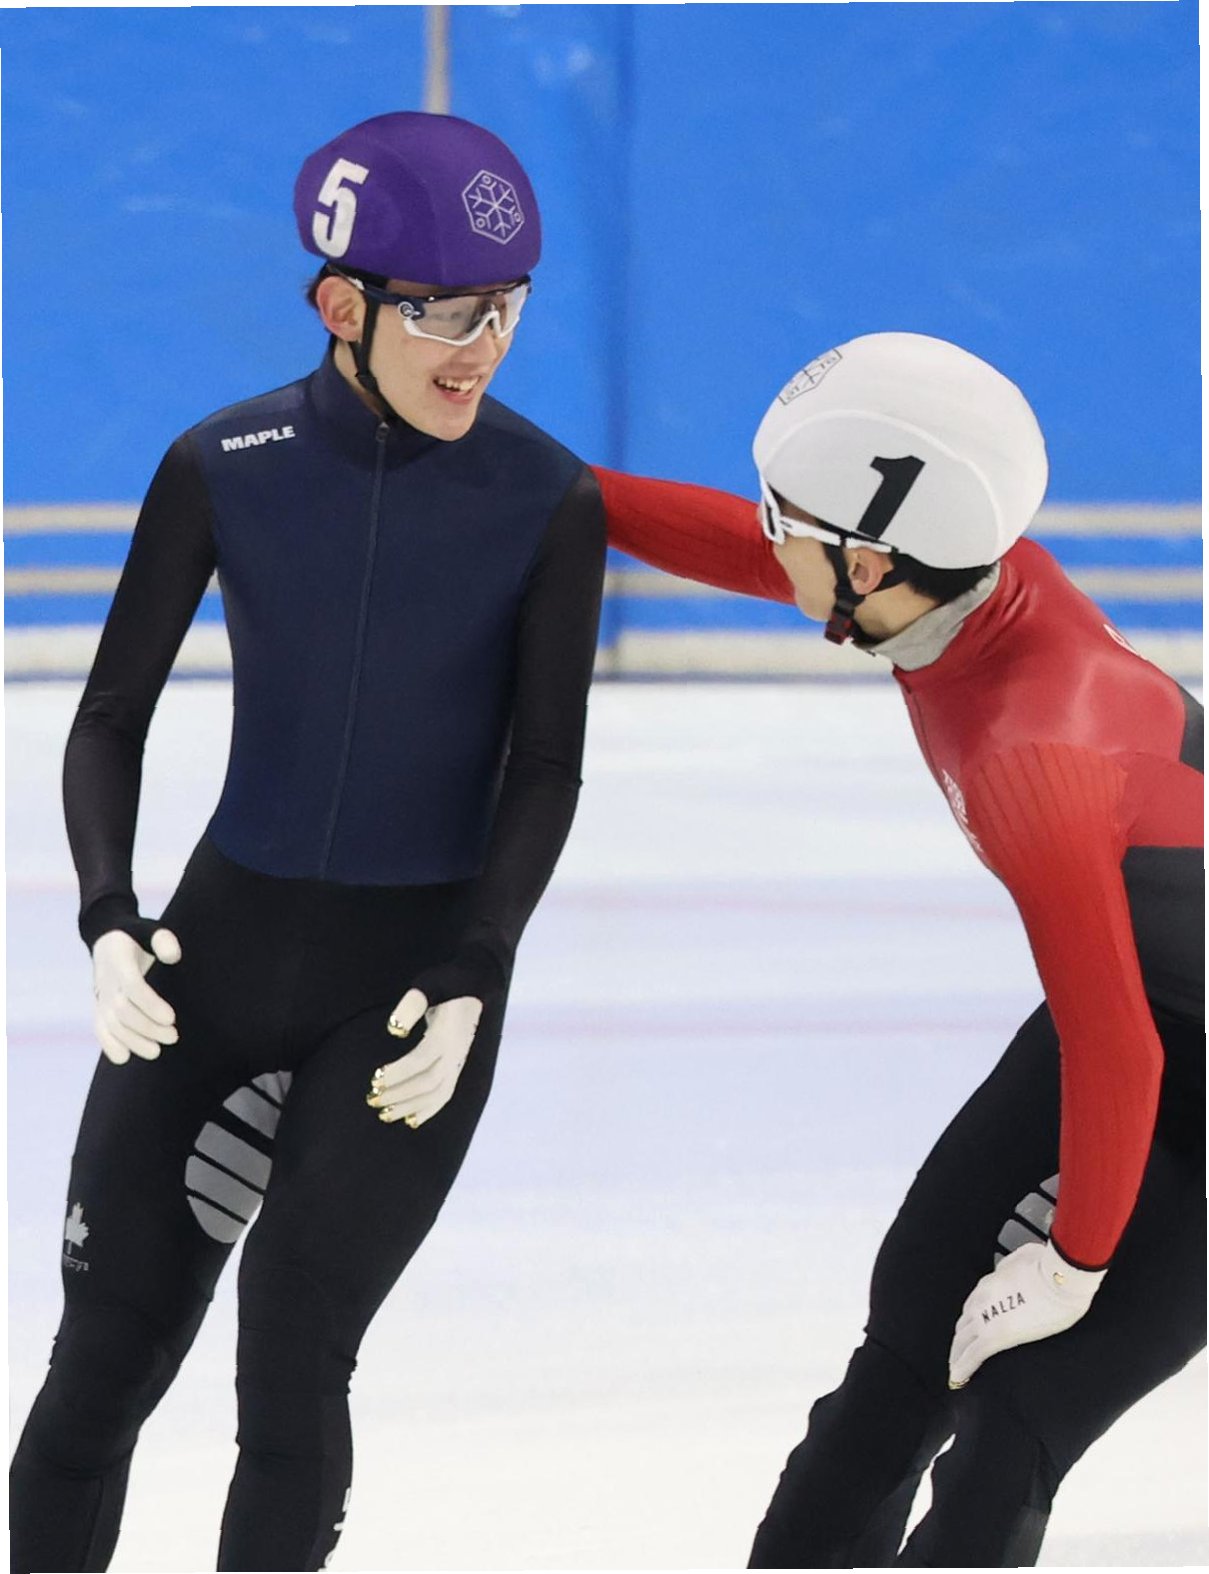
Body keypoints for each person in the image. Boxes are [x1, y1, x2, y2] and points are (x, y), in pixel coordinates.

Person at [10, 111, 606, 1573]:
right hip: (209, 968)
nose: (482, 347)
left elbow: (545, 764)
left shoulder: (548, 498)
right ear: (344, 305)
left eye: (507, 308)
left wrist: (479, 964)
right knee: (94, 1376)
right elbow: (109, 718)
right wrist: (106, 912)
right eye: (446, 312)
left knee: (289, 1369)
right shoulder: (224, 462)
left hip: (406, 996)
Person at [595, 332, 1204, 1566]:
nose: (768, 537)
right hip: (1149, 1009)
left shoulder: (1036, 755)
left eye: (787, 519)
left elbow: (1116, 1049)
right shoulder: (952, 585)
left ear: (868, 560)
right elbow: (752, 555)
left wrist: (1073, 1263)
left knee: (1016, 1423)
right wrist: (541, 481)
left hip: (1145, 1042)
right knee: (902, 1357)